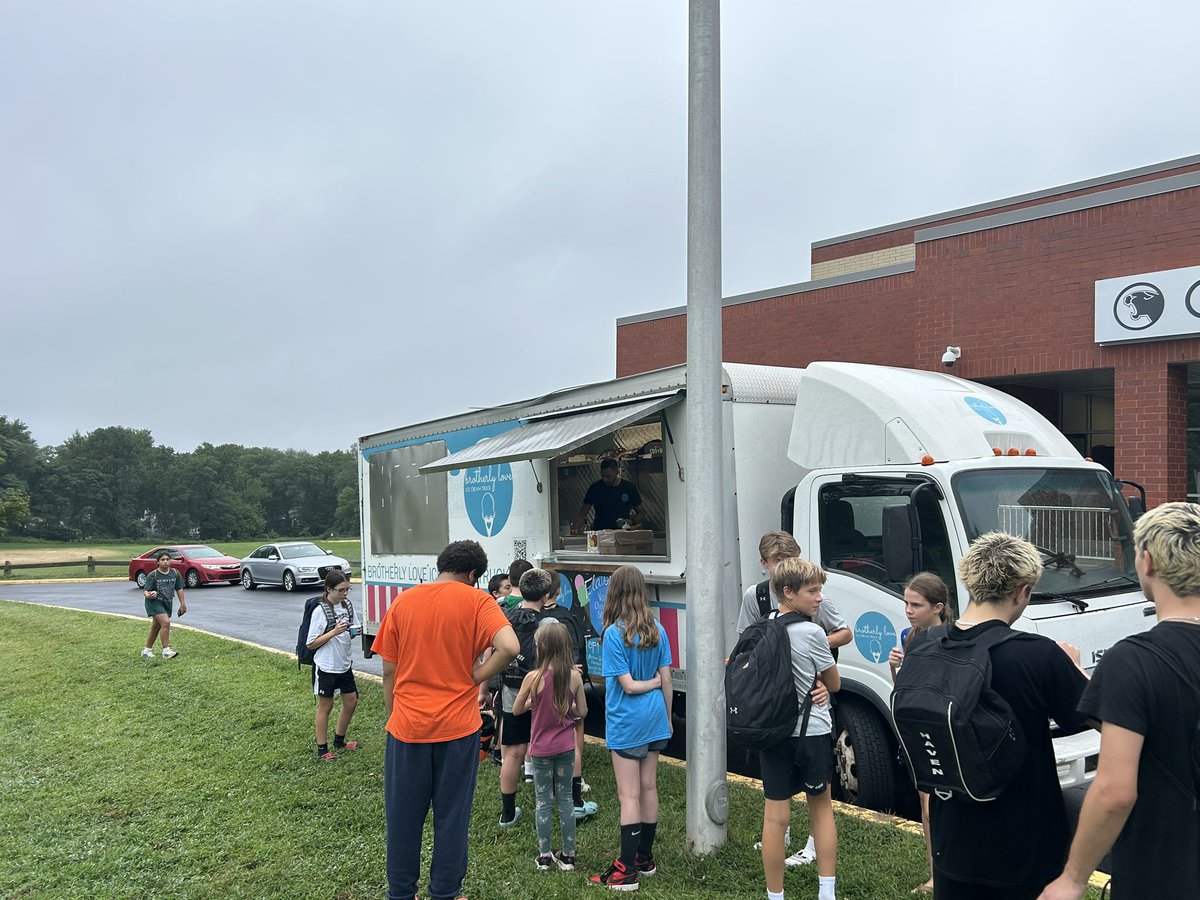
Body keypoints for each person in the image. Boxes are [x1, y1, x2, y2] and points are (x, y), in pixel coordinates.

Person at [906, 532, 1089, 900]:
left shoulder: (924, 644)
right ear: (1022, 591)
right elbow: (1096, 717)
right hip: (1025, 850)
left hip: (952, 842)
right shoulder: (1039, 655)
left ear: (969, 581)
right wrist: (1076, 670)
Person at [1039, 501, 1200, 900]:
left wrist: (1072, 879)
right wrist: (1086, 681)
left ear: (1146, 562)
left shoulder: (1134, 659)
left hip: (1167, 874)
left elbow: (1115, 790)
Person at [372, 540, 518, 900]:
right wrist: (476, 675)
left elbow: (389, 672)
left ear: (442, 565)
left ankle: (401, 894)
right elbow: (511, 647)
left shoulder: (404, 601)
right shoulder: (478, 601)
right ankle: (445, 893)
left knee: (403, 820)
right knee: (451, 818)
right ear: (472, 574)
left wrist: (397, 717)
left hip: (407, 729)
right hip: (458, 728)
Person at [739, 531, 851, 866]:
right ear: (764, 565)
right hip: (771, 704)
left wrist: (815, 657)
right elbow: (745, 642)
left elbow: (843, 632)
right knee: (776, 787)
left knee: (818, 791)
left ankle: (812, 846)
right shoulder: (755, 596)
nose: (783, 568)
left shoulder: (812, 596)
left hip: (810, 696)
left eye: (790, 561)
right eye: (777, 563)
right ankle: (780, 835)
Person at [759, 557, 841, 900]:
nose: (819, 597)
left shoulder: (763, 628)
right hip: (813, 732)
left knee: (775, 817)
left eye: (820, 590)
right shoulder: (812, 632)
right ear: (788, 592)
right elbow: (833, 683)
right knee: (820, 808)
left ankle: (775, 895)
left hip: (773, 733)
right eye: (812, 591)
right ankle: (826, 892)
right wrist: (820, 681)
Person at [589, 565, 672, 891]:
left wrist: (646, 682)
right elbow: (666, 679)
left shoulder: (613, 634)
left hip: (627, 721)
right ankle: (644, 858)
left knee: (629, 795)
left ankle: (626, 872)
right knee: (649, 787)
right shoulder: (658, 629)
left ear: (615, 593)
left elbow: (626, 685)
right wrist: (666, 718)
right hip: (654, 720)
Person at [886, 571, 955, 896]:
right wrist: (895, 666)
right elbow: (904, 688)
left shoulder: (954, 637)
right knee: (927, 807)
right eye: (906, 603)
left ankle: (953, 870)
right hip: (917, 729)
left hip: (946, 731)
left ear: (938, 606)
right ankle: (934, 873)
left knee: (946, 806)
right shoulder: (908, 636)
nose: (909, 611)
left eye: (916, 605)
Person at [513, 619, 588, 872]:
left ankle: (544, 855)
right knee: (565, 799)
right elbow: (583, 711)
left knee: (543, 800)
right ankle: (568, 856)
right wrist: (569, 709)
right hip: (566, 747)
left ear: (540, 648)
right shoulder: (574, 677)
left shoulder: (532, 678)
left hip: (541, 750)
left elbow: (515, 710)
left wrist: (532, 703)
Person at [539, 571, 598, 820]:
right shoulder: (568, 616)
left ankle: (546, 780)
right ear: (557, 590)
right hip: (569, 678)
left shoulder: (535, 616)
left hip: (544, 682)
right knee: (575, 725)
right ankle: (576, 777)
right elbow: (577, 649)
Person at [498, 567, 553, 826]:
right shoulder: (549, 624)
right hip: (541, 692)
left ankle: (507, 813)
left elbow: (493, 651)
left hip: (512, 690)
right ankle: (548, 803)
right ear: (546, 595)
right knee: (544, 748)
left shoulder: (507, 616)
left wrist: (484, 689)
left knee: (513, 753)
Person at [306, 569, 363, 761]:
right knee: (326, 705)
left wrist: (356, 631)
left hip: (344, 664)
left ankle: (340, 740)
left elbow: (353, 627)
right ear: (329, 589)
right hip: (326, 666)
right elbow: (311, 643)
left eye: (347, 589)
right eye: (341, 590)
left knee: (351, 701)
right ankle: (322, 749)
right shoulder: (319, 611)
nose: (345, 594)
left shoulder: (347, 606)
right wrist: (333, 632)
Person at [570, 458, 644, 533]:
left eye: (608, 476)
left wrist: (632, 521)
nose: (605, 479)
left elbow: (641, 513)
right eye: (603, 476)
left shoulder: (628, 488)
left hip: (622, 534)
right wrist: (575, 528)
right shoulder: (596, 488)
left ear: (617, 472)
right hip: (600, 533)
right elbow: (582, 514)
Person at [141, 551, 186, 659]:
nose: (165, 562)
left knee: (156, 627)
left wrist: (182, 604)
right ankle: (166, 651)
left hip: (166, 603)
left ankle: (146, 651)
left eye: (167, 559)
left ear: (170, 561)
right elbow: (146, 591)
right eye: (162, 560)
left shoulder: (175, 573)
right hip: (153, 603)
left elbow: (179, 589)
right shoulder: (153, 574)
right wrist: (149, 595)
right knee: (165, 622)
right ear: (158, 562)